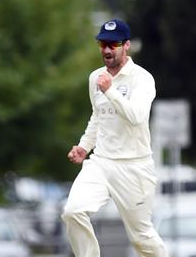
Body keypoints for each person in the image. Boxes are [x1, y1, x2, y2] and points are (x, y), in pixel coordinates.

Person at [61, 19, 168, 257]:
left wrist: (109, 91)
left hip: (135, 165)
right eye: (103, 44)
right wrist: (84, 146)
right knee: (73, 211)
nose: (107, 50)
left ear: (126, 45)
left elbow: (137, 117)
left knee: (142, 238)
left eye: (114, 44)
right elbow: (98, 117)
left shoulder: (142, 79)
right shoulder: (95, 78)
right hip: (102, 162)